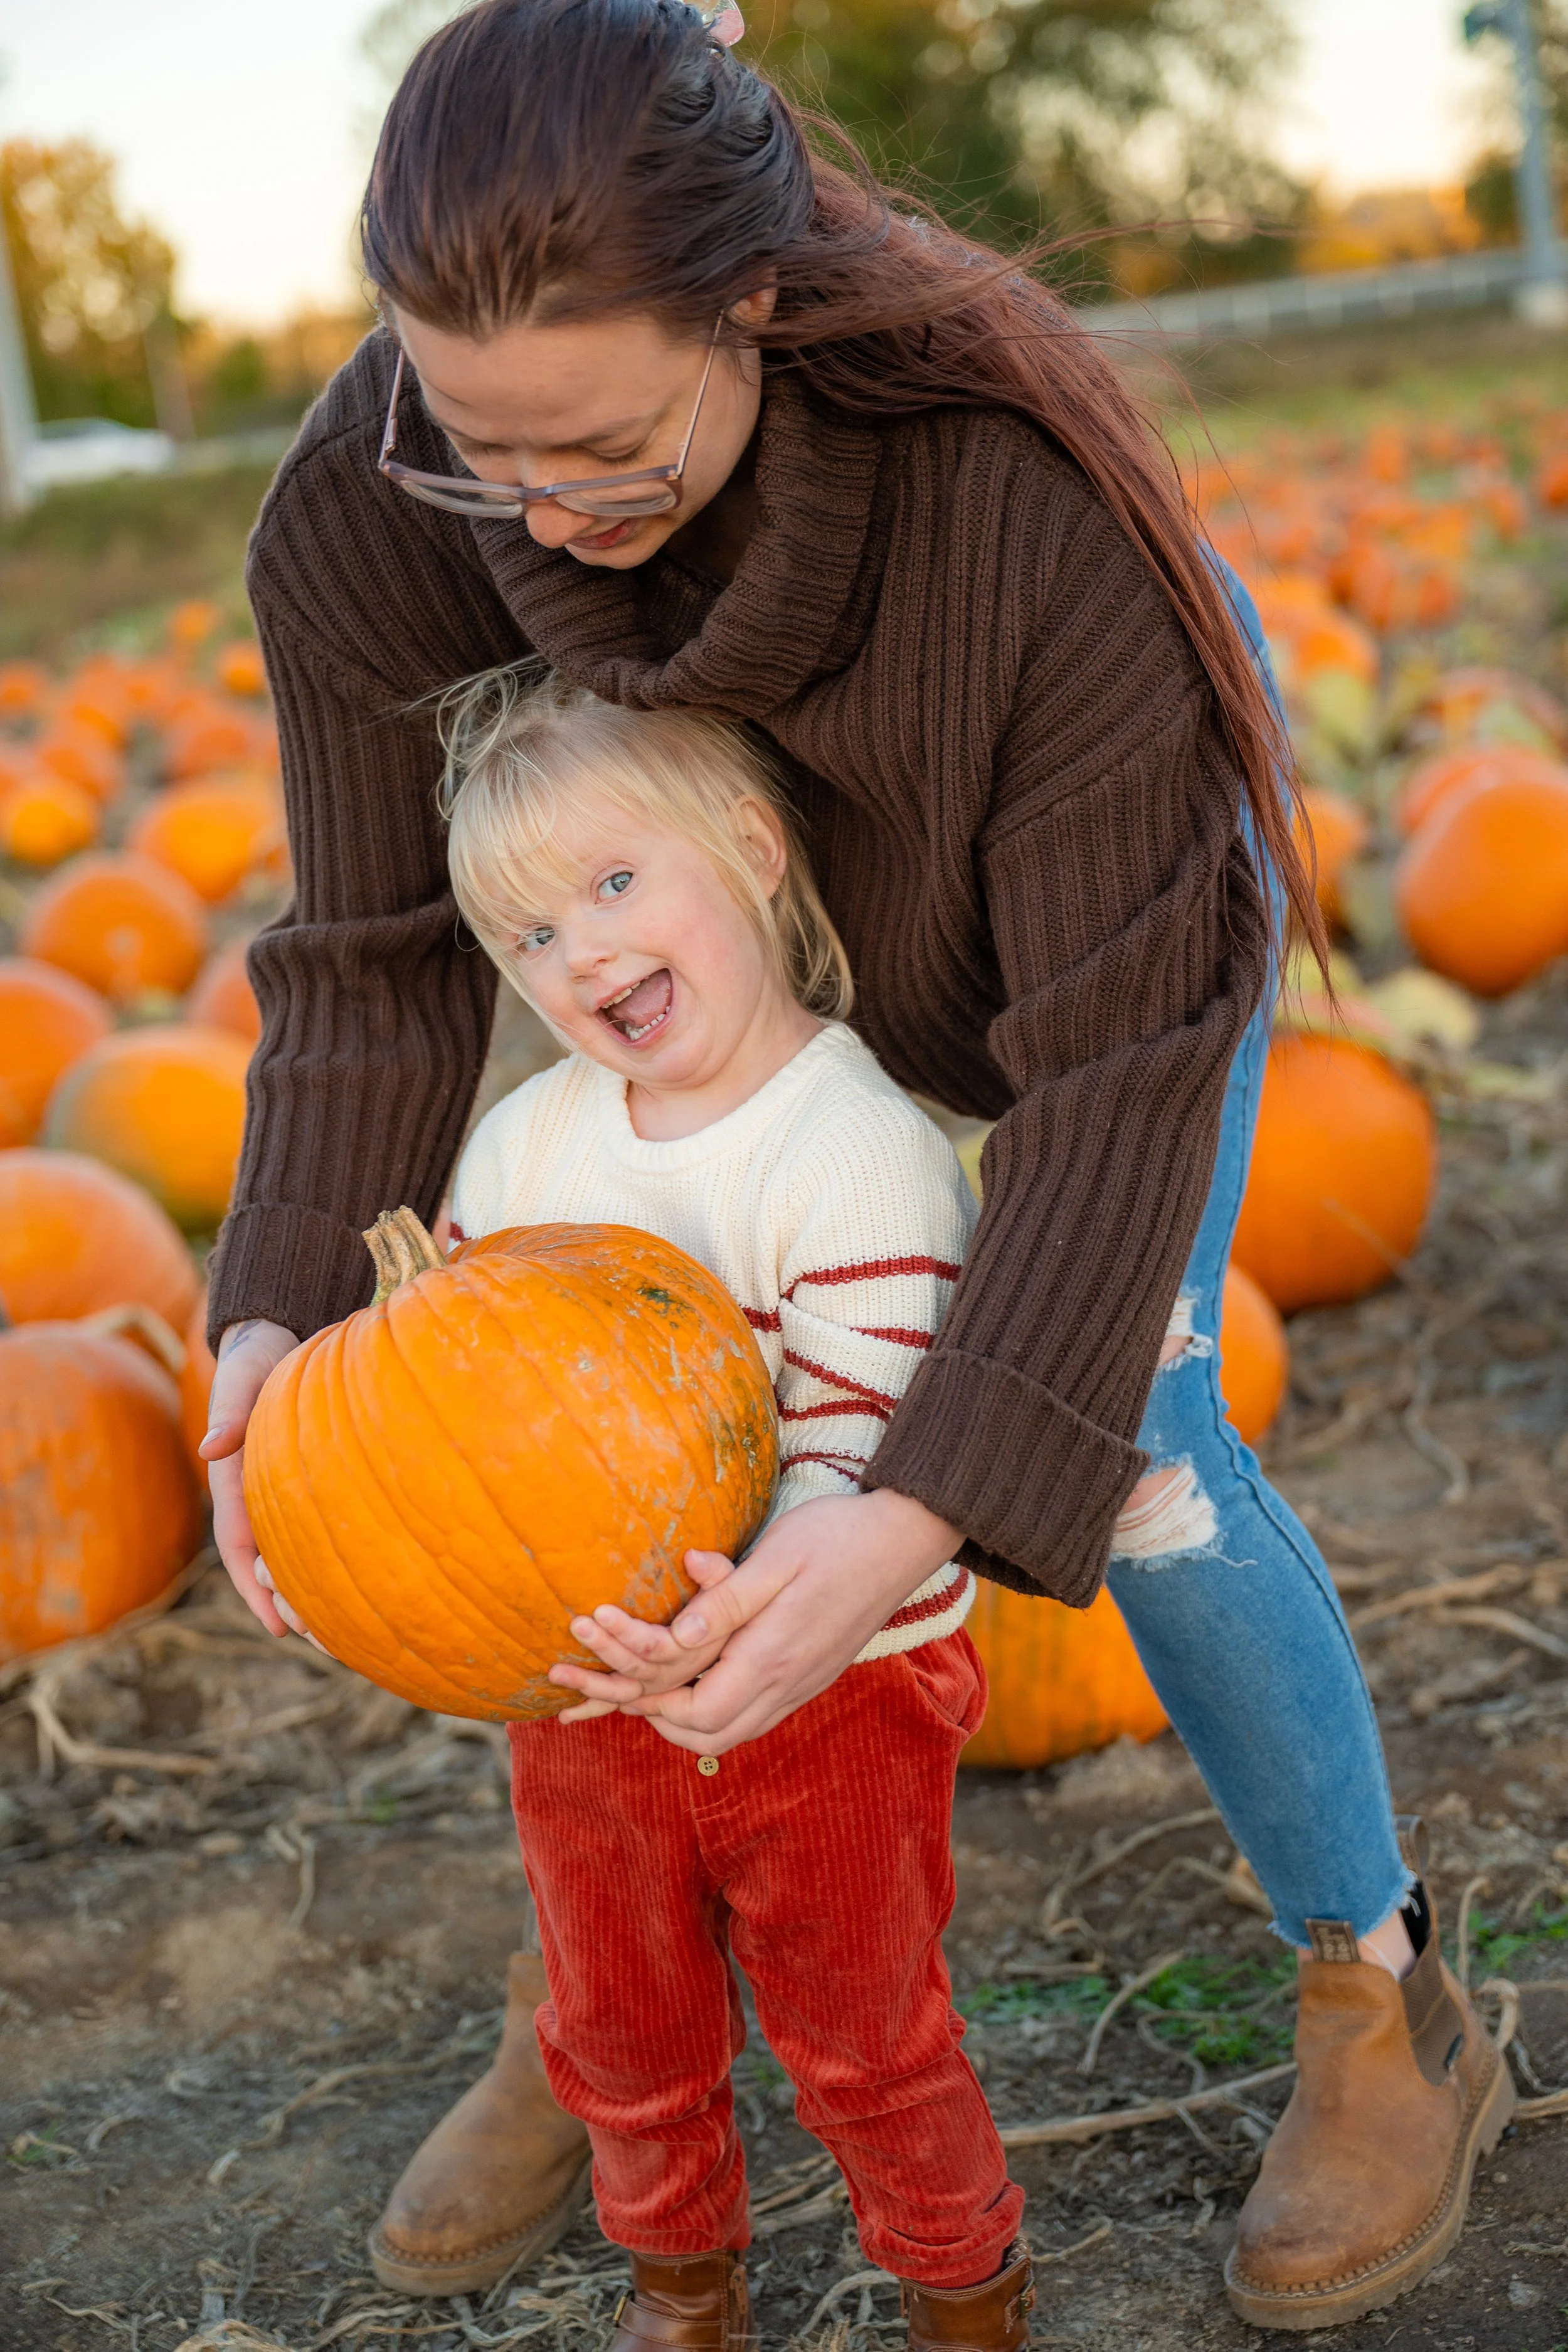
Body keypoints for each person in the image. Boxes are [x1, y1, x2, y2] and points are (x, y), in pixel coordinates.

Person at [199, 0, 1512, 2333]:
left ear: (756, 308)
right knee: (596, 1390)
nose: (525, 510)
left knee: (1140, 1420)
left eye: (594, 448)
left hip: (1063, 871)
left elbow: (1109, 1077)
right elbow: (380, 951)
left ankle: (1375, 1983)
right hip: (687, 876)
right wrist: (277, 1331)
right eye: (472, 448)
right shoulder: (387, 492)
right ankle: (607, 2000)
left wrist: (909, 1504)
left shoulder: (1014, 493)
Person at [435, 668, 1031, 2348]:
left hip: (833, 1694)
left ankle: (958, 2287)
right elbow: (464, 1412)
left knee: (865, 2033)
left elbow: (849, 1454)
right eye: (531, 934)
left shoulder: (849, 1150)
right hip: (590, 1697)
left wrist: (737, 1612)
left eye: (615, 884)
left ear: (756, 852)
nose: (582, 952)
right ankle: (681, 2286)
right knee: (618, 2024)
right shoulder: (520, 1156)